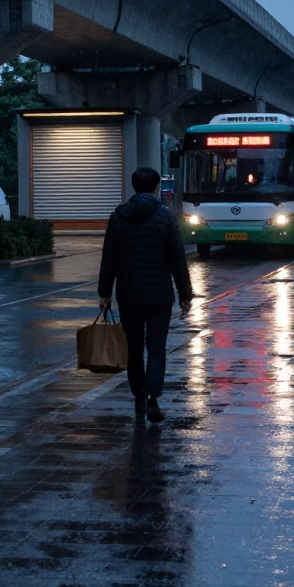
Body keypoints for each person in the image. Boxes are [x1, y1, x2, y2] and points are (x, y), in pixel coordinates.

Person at [98, 165, 194, 423]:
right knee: (156, 348)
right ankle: (153, 398)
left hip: (128, 295)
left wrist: (104, 293)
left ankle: (139, 398)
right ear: (155, 188)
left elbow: (109, 258)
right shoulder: (166, 216)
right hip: (159, 297)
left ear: (133, 187)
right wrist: (186, 295)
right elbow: (177, 259)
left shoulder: (118, 216)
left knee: (133, 349)